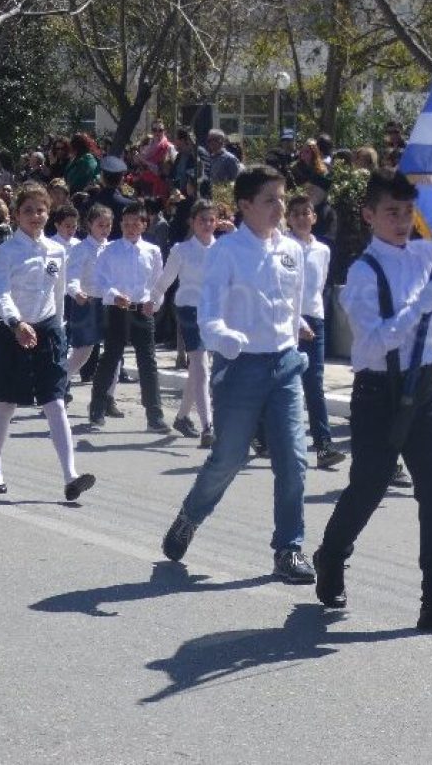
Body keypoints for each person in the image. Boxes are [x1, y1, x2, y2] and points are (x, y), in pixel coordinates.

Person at [310, 168, 432, 634]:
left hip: (424, 388)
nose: (401, 221)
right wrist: (421, 306)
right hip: (378, 392)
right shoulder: (363, 272)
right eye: (391, 212)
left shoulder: (428, 255)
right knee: (368, 488)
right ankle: (331, 554)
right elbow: (375, 340)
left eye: (407, 212)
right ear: (369, 215)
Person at [161, 166, 316, 584]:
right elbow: (208, 314)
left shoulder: (293, 250)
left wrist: (297, 327)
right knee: (229, 458)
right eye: (269, 200)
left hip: (284, 365)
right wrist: (225, 337)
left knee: (293, 460)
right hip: (241, 366)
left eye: (282, 198)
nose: (279, 207)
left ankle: (289, 548)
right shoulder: (226, 252)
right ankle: (190, 516)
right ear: (245, 205)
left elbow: (291, 303)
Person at [0, 184, 94, 499]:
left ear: (48, 213)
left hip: (48, 333)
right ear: (17, 214)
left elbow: (58, 294)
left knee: (55, 401)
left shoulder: (57, 250)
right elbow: (0, 292)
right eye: (28, 210)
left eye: (41, 210)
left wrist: (59, 331)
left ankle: (71, 476)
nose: (35, 216)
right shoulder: (6, 251)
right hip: (13, 332)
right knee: (7, 403)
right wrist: (16, 323)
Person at [86, 202, 169, 433]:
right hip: (117, 310)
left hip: (143, 310)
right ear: (121, 225)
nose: (131, 228)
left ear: (144, 225)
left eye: (136, 224)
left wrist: (155, 303)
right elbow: (100, 280)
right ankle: (97, 408)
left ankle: (154, 415)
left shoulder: (152, 251)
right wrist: (114, 295)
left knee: (148, 362)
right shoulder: (110, 250)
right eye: (126, 224)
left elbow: (158, 282)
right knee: (111, 358)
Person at [285, 194, 345, 469]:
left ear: (314, 217)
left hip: (315, 318)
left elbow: (318, 287)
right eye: (295, 213)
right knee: (283, 381)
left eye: (305, 212)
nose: (301, 218)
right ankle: (264, 434)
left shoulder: (323, 250)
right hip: (289, 320)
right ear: (288, 219)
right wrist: (298, 322)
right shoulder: (283, 247)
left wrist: (312, 319)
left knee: (314, 382)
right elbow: (284, 290)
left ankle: (323, 445)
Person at [152, 199, 217, 446]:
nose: (207, 224)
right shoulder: (182, 249)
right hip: (189, 309)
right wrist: (153, 301)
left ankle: (181, 417)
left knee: (199, 370)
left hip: (214, 313)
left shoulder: (223, 249)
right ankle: (208, 426)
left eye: (211, 220)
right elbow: (164, 280)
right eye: (202, 220)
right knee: (200, 365)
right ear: (192, 222)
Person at [65, 205, 117, 405]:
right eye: (100, 225)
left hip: (110, 304)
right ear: (89, 224)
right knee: (82, 352)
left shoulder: (113, 248)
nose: (104, 229)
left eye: (108, 225)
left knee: (115, 351)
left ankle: (109, 398)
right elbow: (72, 277)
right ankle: (56, 391)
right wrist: (76, 292)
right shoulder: (81, 249)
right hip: (87, 303)